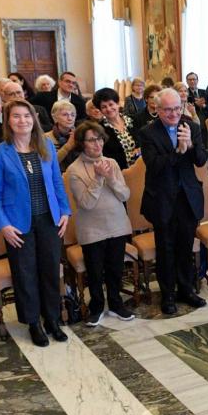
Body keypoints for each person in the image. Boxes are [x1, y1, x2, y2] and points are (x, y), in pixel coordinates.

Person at [0, 99, 71, 347]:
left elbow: (57, 181)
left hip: (49, 219)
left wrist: (65, 211)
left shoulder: (46, 145)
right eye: (16, 116)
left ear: (33, 119)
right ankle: (33, 322)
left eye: (27, 115)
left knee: (49, 269)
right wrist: (3, 225)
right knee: (25, 274)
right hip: (17, 224)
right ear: (8, 121)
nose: (22, 120)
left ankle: (52, 319)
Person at [139, 89, 208, 315]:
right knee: (166, 249)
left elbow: (200, 161)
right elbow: (154, 165)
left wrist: (191, 146)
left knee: (185, 247)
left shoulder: (192, 127)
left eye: (177, 108)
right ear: (157, 110)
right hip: (162, 199)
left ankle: (186, 290)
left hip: (187, 198)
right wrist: (179, 152)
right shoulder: (148, 133)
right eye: (168, 109)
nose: (173, 113)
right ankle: (168, 295)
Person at [67, 121, 135, 326]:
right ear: (81, 143)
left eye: (99, 139)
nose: (97, 144)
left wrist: (111, 179)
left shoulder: (112, 163)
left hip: (117, 224)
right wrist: (98, 179)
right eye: (91, 140)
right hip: (91, 229)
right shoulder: (74, 169)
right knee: (95, 272)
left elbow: (125, 195)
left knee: (115, 268)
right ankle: (96, 306)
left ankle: (116, 303)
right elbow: (86, 203)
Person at [93, 88, 140, 169]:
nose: (108, 109)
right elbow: (103, 156)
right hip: (117, 173)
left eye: (111, 104)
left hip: (140, 169)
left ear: (118, 104)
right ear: (100, 110)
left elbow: (144, 142)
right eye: (104, 107)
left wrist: (140, 149)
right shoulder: (99, 129)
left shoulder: (133, 121)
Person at [45, 101, 79, 171]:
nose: (70, 118)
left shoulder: (80, 135)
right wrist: (67, 146)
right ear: (55, 117)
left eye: (73, 115)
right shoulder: (46, 138)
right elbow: (48, 164)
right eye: (65, 115)